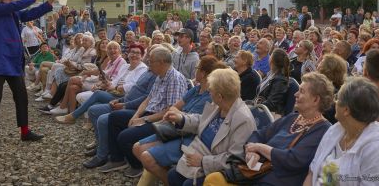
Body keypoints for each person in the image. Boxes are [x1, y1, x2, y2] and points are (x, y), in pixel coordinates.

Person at [204, 72, 333, 186]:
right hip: (256, 173)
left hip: (278, 180)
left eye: (302, 91)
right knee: (214, 179)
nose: (295, 94)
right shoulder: (293, 118)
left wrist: (260, 148)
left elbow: (293, 159)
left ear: (316, 99)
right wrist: (251, 151)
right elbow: (259, 134)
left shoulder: (322, 129)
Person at [0, 0, 60, 148]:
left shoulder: (14, 13)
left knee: (21, 96)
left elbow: (31, 13)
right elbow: (21, 3)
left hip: (12, 62)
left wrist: (50, 0)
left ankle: (25, 132)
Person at [91, 47, 187, 177]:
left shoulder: (175, 79)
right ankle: (117, 159)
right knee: (114, 117)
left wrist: (143, 120)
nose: (149, 64)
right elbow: (148, 99)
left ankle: (137, 166)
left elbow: (170, 111)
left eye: (151, 61)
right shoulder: (160, 76)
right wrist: (136, 115)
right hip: (148, 114)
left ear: (162, 62)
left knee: (125, 136)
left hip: (162, 122)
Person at [133, 56, 227, 185]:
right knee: (137, 148)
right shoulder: (196, 89)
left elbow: (198, 123)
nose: (195, 71)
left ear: (203, 73)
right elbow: (174, 107)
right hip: (175, 128)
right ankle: (160, 175)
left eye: (197, 68)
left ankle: (167, 180)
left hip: (189, 136)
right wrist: (179, 115)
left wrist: (180, 116)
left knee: (146, 156)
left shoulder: (211, 97)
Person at [166, 68, 256, 186]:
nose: (209, 92)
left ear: (220, 96)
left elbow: (234, 158)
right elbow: (201, 120)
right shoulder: (220, 105)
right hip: (199, 153)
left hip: (217, 168)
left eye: (211, 90)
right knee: (172, 175)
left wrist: (203, 161)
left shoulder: (243, 120)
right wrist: (181, 119)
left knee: (187, 184)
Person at [304, 77, 379, 186]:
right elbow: (312, 172)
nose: (335, 102)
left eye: (337, 98)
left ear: (346, 110)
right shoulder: (335, 130)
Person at [255, 48, 290, 116]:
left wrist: (255, 107)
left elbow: (272, 104)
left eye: (270, 56)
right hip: (262, 109)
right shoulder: (270, 74)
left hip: (271, 114)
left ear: (272, 60)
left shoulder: (280, 80)